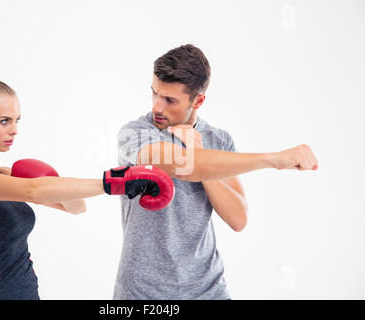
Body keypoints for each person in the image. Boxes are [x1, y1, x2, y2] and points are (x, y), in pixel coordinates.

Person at [0, 71, 174, 300]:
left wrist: (54, 179)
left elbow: (76, 207)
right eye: (4, 121)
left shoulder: (1, 174)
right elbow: (33, 191)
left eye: (16, 120)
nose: (14, 130)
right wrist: (116, 182)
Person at [114, 44, 318, 299]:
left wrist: (198, 150)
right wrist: (272, 159)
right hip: (143, 292)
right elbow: (183, 166)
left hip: (207, 289)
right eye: (154, 93)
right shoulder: (136, 133)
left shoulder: (218, 140)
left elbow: (238, 219)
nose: (157, 106)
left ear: (198, 100)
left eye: (170, 100)